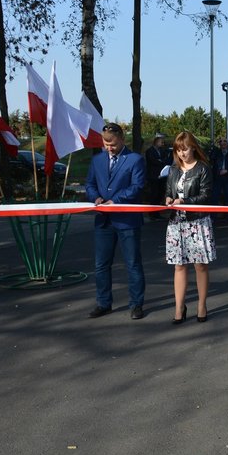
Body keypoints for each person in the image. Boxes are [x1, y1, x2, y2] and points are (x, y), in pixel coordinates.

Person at [85, 122, 147, 320]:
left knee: (133, 264)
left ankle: (136, 304)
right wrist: (95, 197)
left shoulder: (135, 159)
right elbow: (90, 184)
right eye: (105, 144)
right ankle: (103, 303)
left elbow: (137, 186)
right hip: (104, 220)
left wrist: (116, 200)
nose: (109, 148)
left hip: (127, 220)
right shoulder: (97, 160)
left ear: (122, 139)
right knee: (101, 265)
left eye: (112, 144)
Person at [165, 131, 215, 324]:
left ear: (193, 147)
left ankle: (202, 305)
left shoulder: (203, 168)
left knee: (200, 265)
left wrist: (184, 201)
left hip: (197, 222)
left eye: (185, 149)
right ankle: (179, 307)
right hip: (176, 223)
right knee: (179, 265)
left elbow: (206, 196)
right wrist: (168, 199)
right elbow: (168, 191)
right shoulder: (173, 169)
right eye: (178, 150)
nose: (182, 153)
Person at [211, 137, 228, 222]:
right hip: (217, 179)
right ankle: (213, 217)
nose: (223, 143)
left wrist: (227, 171)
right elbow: (211, 164)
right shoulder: (216, 153)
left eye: (225, 141)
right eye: (221, 141)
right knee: (214, 198)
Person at [144, 134, 170, 219]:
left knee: (160, 194)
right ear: (156, 142)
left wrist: (161, 161)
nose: (163, 144)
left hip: (162, 176)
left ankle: (157, 213)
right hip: (153, 176)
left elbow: (166, 160)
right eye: (161, 142)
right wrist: (161, 161)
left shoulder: (163, 151)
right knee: (154, 194)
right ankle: (152, 213)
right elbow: (153, 161)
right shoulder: (149, 151)